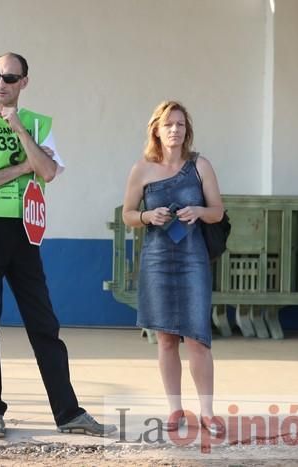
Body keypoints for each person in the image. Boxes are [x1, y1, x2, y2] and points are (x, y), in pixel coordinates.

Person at [0, 52, 116, 438]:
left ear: (24, 82)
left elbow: (51, 171)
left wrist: (21, 131)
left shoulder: (38, 125)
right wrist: (25, 167)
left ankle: (68, 412)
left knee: (44, 324)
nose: (1, 83)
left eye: (10, 77)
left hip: (26, 231)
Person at [121, 101, 226, 437]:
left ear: (187, 130)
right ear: (156, 129)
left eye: (180, 124)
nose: (175, 130)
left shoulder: (200, 165)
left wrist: (198, 209)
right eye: (168, 124)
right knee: (166, 339)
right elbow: (127, 214)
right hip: (157, 258)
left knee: (198, 338)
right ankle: (174, 407)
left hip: (192, 257)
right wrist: (147, 217)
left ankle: (207, 411)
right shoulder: (142, 169)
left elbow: (218, 212)